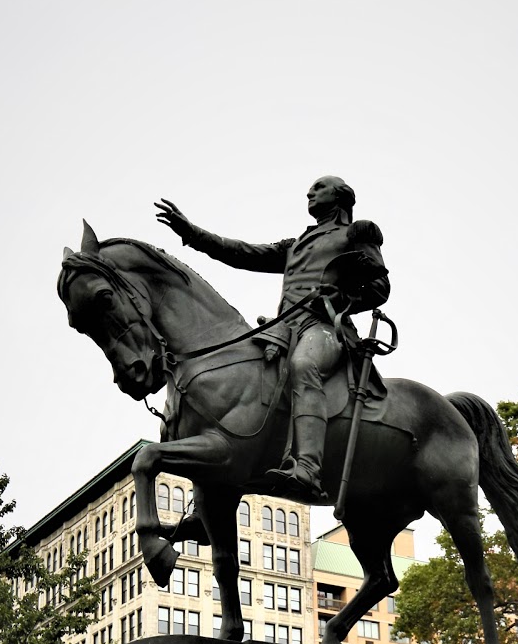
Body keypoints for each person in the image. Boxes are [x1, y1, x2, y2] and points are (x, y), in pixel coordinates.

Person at [155, 176, 389, 502]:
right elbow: (243, 253)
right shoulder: (297, 245)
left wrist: (337, 302)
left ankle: (308, 468)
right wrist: (191, 233)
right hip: (282, 329)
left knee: (303, 365)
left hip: (324, 328)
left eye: (319, 188)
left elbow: (380, 289)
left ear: (340, 197)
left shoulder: (354, 235)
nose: (310, 192)